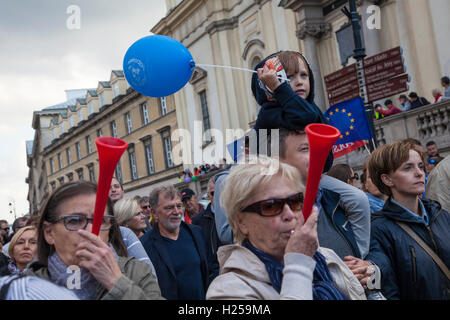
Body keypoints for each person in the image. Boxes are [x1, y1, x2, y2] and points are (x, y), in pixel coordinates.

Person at [206, 156, 366, 300]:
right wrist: (298, 266)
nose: (289, 214)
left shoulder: (325, 257)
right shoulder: (228, 290)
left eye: (295, 201)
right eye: (270, 206)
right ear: (241, 222)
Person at [345, 141, 450, 299]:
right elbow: (381, 263)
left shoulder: (441, 215)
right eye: (408, 168)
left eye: (420, 166)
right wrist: (372, 268)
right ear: (387, 179)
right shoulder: (379, 228)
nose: (419, 173)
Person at [27, 181, 163, 300]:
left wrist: (117, 283)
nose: (92, 231)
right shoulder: (26, 288)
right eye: (74, 221)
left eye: (101, 221)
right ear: (49, 233)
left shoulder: (136, 271)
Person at [140, 185, 214, 300]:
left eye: (179, 206)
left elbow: (211, 269)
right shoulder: (145, 246)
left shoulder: (196, 233)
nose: (176, 212)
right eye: (169, 208)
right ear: (154, 213)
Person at [192, 177, 222, 280]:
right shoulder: (198, 221)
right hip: (213, 275)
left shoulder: (234, 215)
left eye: (220, 192)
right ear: (208, 196)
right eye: (214, 193)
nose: (217, 197)